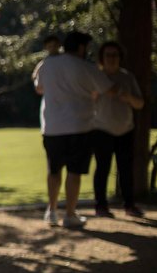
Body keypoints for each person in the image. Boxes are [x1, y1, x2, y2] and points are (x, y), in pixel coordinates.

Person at [34, 30, 113, 228]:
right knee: (74, 171)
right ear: (81, 47)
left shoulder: (47, 64)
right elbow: (108, 88)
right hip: (80, 125)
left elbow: (39, 88)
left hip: (52, 126)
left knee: (53, 170)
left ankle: (51, 211)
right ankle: (70, 213)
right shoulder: (86, 66)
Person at [92, 41, 145, 218]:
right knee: (102, 169)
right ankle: (101, 206)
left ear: (120, 58)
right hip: (102, 129)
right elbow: (86, 101)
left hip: (125, 130)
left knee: (126, 169)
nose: (112, 59)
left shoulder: (127, 77)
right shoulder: (96, 78)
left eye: (115, 55)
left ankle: (129, 205)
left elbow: (140, 104)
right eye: (108, 55)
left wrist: (128, 97)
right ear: (102, 58)